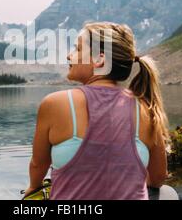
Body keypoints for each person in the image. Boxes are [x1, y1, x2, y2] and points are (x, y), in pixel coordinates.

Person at [23, 22, 169, 200]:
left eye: (77, 49)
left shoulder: (55, 103)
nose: (69, 56)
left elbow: (39, 165)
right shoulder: (146, 109)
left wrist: (33, 187)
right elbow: (158, 178)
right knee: (167, 194)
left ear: (99, 60)